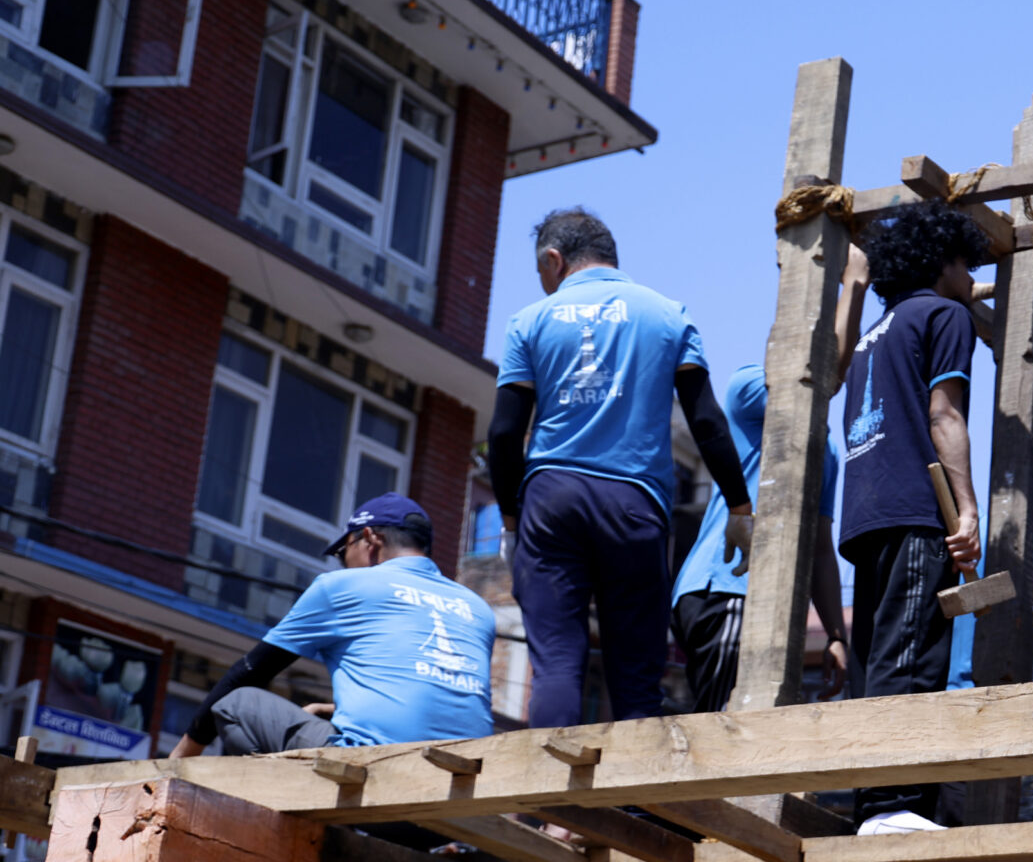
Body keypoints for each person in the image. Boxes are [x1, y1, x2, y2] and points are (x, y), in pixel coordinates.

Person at [488, 207, 755, 729]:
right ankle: (630, 807)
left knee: (557, 665)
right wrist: (740, 507)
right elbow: (706, 421)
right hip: (636, 505)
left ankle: (550, 803)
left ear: (553, 258)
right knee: (636, 672)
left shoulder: (530, 321)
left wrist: (511, 519)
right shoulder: (668, 315)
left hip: (552, 499)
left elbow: (502, 433)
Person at [834, 201, 987, 833]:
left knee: (876, 658)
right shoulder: (946, 315)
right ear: (942, 260)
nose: (971, 277)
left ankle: (871, 803)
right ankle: (894, 808)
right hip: (916, 507)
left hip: (865, 506)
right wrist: (968, 505)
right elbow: (944, 414)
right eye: (965, 264)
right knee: (913, 654)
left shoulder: (879, 331)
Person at [171, 495, 494, 763]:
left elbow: (250, 672)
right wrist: (334, 710)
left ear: (369, 538)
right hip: (460, 788)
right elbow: (436, 692)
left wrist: (180, 758)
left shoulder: (343, 586)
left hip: (378, 774)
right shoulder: (477, 609)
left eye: (343, 553)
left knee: (236, 704)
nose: (341, 564)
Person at [671, 363, 847, 713]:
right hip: (728, 588)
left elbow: (821, 550)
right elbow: (814, 378)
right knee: (726, 724)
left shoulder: (826, 450)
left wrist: (836, 634)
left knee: (739, 725)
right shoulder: (751, 390)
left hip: (759, 602)